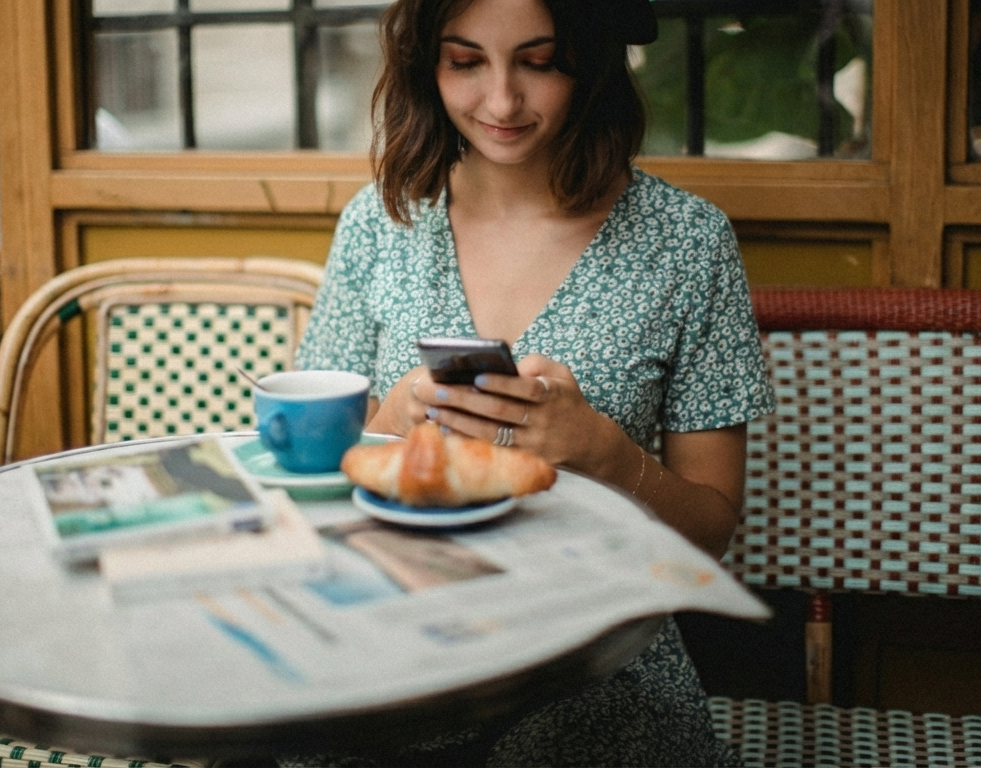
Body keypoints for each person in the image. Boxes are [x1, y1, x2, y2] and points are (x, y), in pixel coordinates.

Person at [293, 0, 773, 763]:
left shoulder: (688, 243)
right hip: (392, 638)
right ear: (428, 66)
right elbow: (305, 479)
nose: (503, 101)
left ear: (590, 61)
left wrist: (606, 455)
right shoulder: (379, 224)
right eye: (466, 61)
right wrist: (390, 420)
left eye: (539, 62)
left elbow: (710, 532)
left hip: (591, 660)